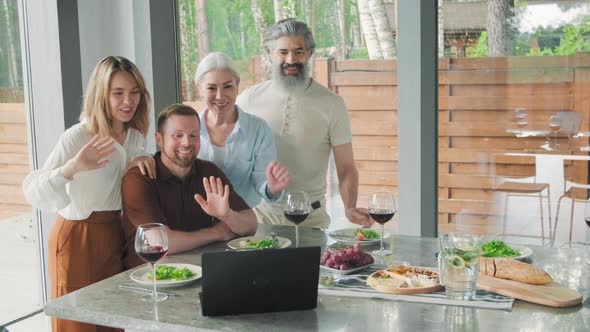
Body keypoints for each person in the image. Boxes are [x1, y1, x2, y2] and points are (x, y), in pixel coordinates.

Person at [23, 56, 155, 332]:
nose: (128, 101)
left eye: (134, 93)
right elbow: (33, 190)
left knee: (113, 320)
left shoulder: (135, 138)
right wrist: (72, 167)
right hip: (77, 238)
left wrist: (141, 159)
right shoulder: (78, 136)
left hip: (115, 235)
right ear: (101, 94)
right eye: (118, 93)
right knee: (77, 324)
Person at [236, 18, 372, 229]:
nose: (291, 59)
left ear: (309, 54)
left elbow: (346, 167)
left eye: (299, 51)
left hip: (311, 220)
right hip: (259, 217)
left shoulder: (332, 104)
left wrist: (350, 206)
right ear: (270, 54)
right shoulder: (247, 100)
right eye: (282, 52)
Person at [121, 103, 257, 269]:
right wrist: (217, 232)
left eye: (194, 135)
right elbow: (161, 243)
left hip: (198, 270)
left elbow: (251, 224)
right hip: (148, 277)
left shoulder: (208, 171)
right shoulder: (139, 178)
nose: (186, 143)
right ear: (159, 139)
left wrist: (228, 215)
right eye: (178, 135)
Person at [194, 51, 291, 208]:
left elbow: (262, 180)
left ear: (237, 85)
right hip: (197, 222)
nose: (220, 96)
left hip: (243, 224)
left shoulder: (259, 130)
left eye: (227, 87)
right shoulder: (189, 129)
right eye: (211, 88)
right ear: (199, 89)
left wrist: (272, 188)